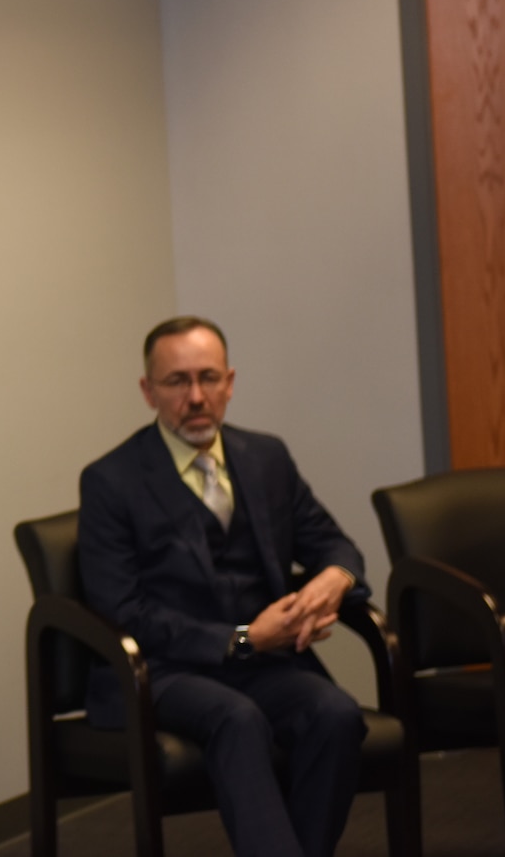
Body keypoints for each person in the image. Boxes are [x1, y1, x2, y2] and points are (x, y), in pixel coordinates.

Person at [78, 316, 368, 857]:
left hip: (260, 664)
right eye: (176, 381)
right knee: (237, 719)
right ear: (148, 391)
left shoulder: (266, 458)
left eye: (209, 378)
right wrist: (242, 638)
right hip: (161, 670)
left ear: (230, 382)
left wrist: (335, 578)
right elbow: (123, 609)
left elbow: (334, 544)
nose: (195, 396)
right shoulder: (110, 481)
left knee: (336, 714)